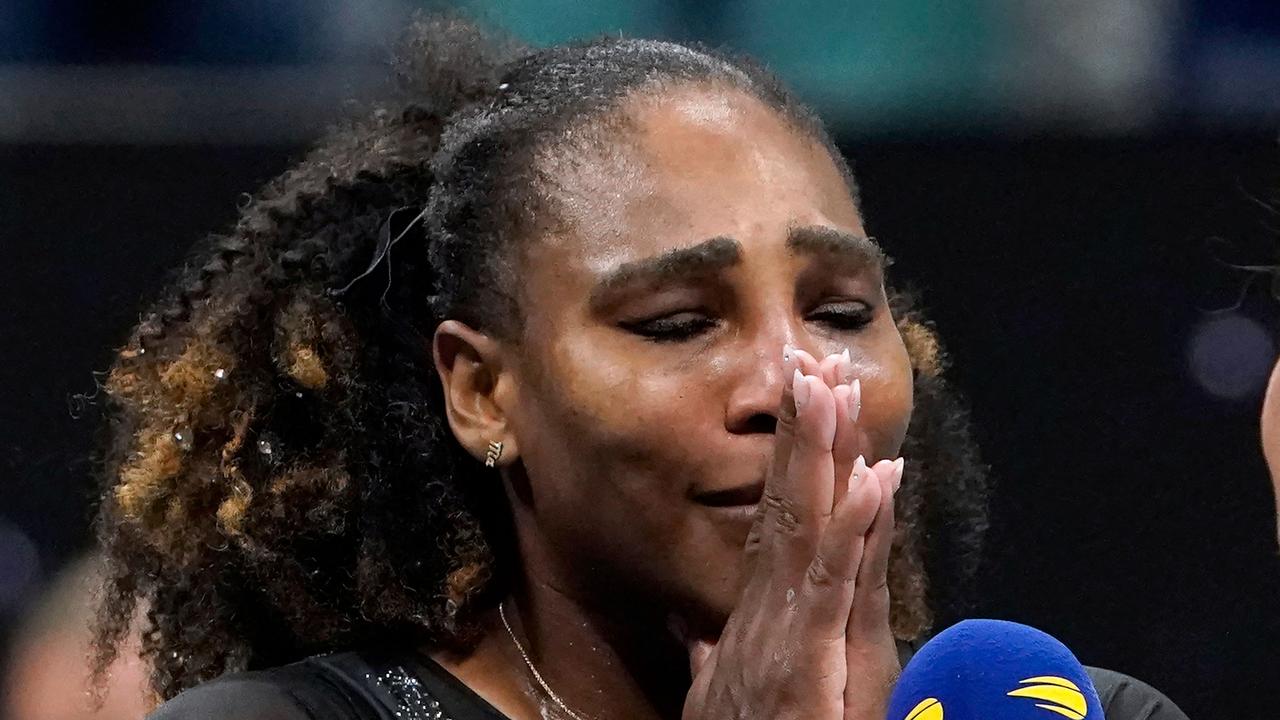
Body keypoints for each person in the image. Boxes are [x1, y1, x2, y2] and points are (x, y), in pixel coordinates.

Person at [87, 15, 1188, 720]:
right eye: (674, 322)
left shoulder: (1061, 712)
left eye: (841, 309)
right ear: (482, 391)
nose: (789, 382)